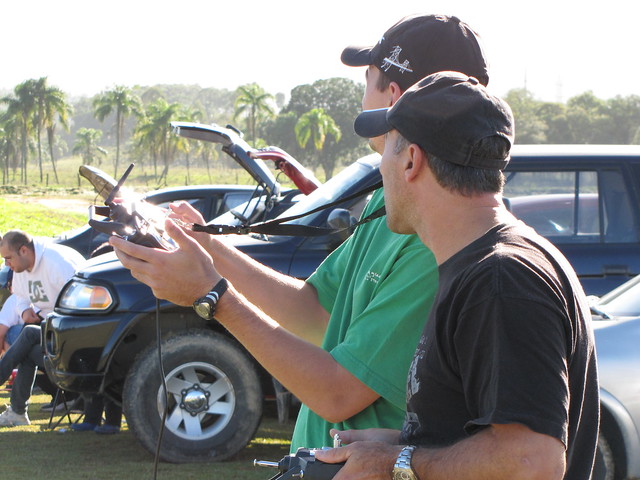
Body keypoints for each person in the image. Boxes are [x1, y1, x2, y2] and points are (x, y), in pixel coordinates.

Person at [111, 14, 490, 450]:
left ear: (395, 96)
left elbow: (338, 393)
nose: (362, 97)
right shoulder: (391, 203)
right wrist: (208, 245)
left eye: (367, 80)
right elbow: (313, 314)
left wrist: (212, 296)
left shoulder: (435, 237)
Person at [312, 72, 600, 479]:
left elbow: (530, 461)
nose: (382, 168)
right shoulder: (488, 267)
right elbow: (488, 437)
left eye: (386, 149)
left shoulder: (502, 280)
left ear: (411, 159)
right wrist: (404, 442)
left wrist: (395, 463)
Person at [0, 230, 85, 427]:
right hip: (49, 337)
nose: (6, 264)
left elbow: (81, 303)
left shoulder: (59, 263)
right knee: (27, 349)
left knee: (28, 333)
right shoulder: (22, 269)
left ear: (24, 250)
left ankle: (17, 411)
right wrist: (24, 312)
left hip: (74, 337)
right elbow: (20, 297)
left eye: (8, 258)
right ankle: (18, 413)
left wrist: (42, 320)